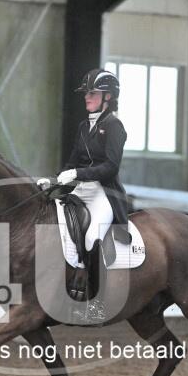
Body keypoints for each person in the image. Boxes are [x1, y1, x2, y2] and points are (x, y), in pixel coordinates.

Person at [37, 68, 131, 301]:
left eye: (92, 93)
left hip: (103, 193)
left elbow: (111, 167)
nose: (86, 97)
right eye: (86, 93)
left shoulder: (115, 127)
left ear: (108, 97)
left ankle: (92, 287)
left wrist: (77, 173)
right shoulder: (83, 127)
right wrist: (53, 180)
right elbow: (72, 163)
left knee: (91, 237)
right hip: (81, 190)